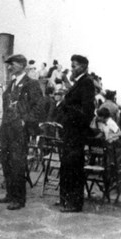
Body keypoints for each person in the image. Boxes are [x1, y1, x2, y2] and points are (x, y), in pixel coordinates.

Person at [0, 54, 43, 210]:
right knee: (6, 160)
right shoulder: (11, 84)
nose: (9, 67)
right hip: (7, 127)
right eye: (8, 64)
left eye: (13, 64)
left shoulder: (32, 84)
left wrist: (26, 120)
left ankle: (19, 198)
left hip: (19, 130)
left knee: (17, 162)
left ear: (23, 65)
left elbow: (39, 107)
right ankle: (10, 194)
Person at [59, 55, 95, 213]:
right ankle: (66, 200)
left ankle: (74, 203)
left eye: (74, 66)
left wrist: (66, 105)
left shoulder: (86, 83)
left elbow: (87, 111)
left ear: (83, 67)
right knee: (67, 166)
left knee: (74, 167)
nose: (71, 69)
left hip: (76, 133)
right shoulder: (78, 84)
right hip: (70, 132)